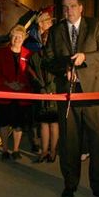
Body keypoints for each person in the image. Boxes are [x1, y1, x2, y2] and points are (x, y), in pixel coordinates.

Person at [43, 0, 99, 197]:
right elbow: (47, 61)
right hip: (68, 95)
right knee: (69, 143)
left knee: (97, 142)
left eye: (73, 6)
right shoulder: (55, 31)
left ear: (81, 8)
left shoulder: (95, 25)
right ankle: (70, 184)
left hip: (94, 93)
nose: (69, 11)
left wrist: (85, 58)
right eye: (65, 7)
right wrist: (64, 67)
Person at [0, 25, 33, 160]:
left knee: (18, 124)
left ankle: (15, 150)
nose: (17, 39)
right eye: (15, 36)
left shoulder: (29, 54)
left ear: (24, 38)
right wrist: (8, 83)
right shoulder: (0, 52)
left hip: (22, 94)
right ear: (11, 37)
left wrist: (23, 84)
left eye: (20, 37)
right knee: (4, 123)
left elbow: (32, 74)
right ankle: (4, 149)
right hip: (4, 93)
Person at [29, 13, 59, 163]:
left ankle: (53, 152)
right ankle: (44, 151)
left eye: (49, 40)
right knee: (43, 124)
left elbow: (60, 74)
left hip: (54, 92)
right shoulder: (35, 56)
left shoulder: (58, 56)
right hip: (41, 92)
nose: (47, 42)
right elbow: (31, 73)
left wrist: (52, 89)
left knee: (54, 123)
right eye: (45, 39)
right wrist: (40, 87)